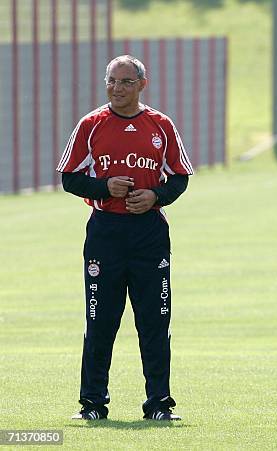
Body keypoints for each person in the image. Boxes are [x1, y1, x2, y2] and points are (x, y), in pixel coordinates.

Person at [57, 55, 193, 421]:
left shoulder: (160, 125)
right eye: (112, 81)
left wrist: (155, 196)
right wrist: (105, 187)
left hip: (149, 234)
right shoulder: (91, 125)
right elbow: (69, 177)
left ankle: (159, 405)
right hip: (106, 234)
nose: (117, 89)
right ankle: (92, 404)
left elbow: (180, 176)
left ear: (141, 85)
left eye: (126, 82)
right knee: (100, 321)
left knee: (154, 320)